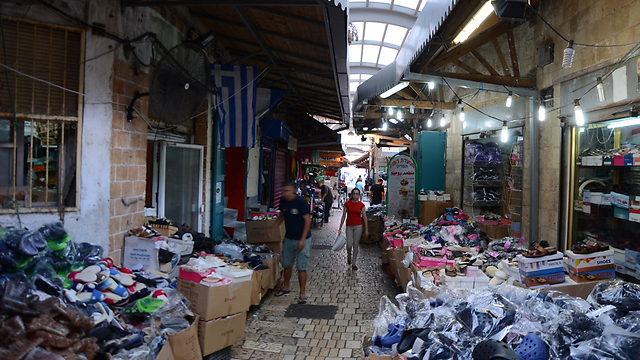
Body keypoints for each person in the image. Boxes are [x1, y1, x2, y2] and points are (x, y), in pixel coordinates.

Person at [268, 181, 312, 304]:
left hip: (303, 238)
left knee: (301, 267)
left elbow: (307, 221)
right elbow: (282, 216)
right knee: (287, 264)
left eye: (287, 191)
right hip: (289, 238)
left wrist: (302, 239)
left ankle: (302, 293)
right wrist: (273, 228)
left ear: (293, 190)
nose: (285, 193)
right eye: (284, 191)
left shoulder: (300, 202)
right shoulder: (283, 201)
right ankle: (286, 287)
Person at [338, 188, 368, 270]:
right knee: (349, 244)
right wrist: (340, 227)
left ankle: (354, 262)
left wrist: (366, 229)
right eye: (354, 194)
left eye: (357, 194)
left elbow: (364, 217)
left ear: (359, 195)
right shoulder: (347, 204)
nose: (355, 195)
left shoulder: (361, 205)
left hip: (358, 225)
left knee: (355, 244)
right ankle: (349, 255)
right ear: (351, 195)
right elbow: (343, 216)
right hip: (349, 226)